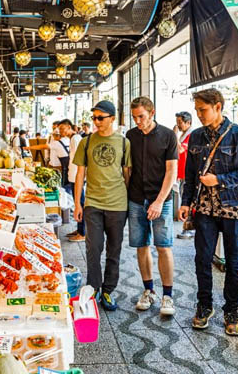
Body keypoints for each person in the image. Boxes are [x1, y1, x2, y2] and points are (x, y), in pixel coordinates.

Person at [179, 88, 238, 336]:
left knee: (234, 262)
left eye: (203, 110)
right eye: (197, 110)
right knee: (202, 259)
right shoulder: (195, 137)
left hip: (233, 207)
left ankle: (231, 310)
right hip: (204, 209)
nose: (199, 114)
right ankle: (204, 306)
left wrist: (221, 180)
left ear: (218, 107)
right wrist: (185, 202)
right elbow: (191, 175)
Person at [73, 100, 131, 311]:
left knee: (114, 250)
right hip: (93, 203)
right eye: (94, 117)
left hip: (118, 204)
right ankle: (93, 287)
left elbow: (127, 174)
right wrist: (78, 203)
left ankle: (108, 290)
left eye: (101, 117)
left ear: (112, 119)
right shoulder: (86, 142)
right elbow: (80, 174)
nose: (96, 122)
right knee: (93, 247)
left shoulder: (124, 143)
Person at [126, 96, 178, 316]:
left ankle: (168, 295)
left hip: (162, 199)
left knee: (163, 246)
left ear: (152, 112)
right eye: (135, 117)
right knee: (141, 246)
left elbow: (171, 172)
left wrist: (158, 201)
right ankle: (148, 290)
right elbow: (127, 169)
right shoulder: (130, 136)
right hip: (137, 197)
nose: (138, 121)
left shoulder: (167, 135)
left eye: (142, 117)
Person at [58, 118, 85, 242]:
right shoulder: (72, 139)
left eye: (63, 129)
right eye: (60, 129)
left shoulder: (76, 139)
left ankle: (83, 233)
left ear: (69, 127)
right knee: (77, 203)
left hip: (76, 177)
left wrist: (80, 176)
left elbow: (82, 159)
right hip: (73, 176)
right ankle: (79, 230)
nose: (61, 131)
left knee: (80, 204)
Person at [175, 111, 193, 239]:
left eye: (180, 123)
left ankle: (189, 228)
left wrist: (174, 135)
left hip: (188, 174)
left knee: (187, 202)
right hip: (182, 173)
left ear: (188, 122)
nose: (178, 125)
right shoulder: (183, 135)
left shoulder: (191, 136)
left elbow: (180, 149)